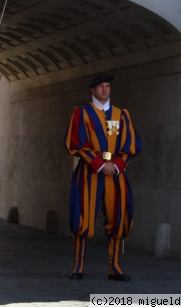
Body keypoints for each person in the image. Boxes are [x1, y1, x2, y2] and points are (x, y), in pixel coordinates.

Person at [64, 73, 141, 281]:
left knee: (117, 218)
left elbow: (129, 145)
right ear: (93, 90)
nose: (105, 89)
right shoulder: (82, 113)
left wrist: (116, 166)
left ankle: (114, 267)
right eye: (101, 86)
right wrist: (99, 165)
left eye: (107, 86)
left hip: (116, 174)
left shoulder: (121, 114)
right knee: (83, 217)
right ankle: (78, 266)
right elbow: (77, 144)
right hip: (90, 172)